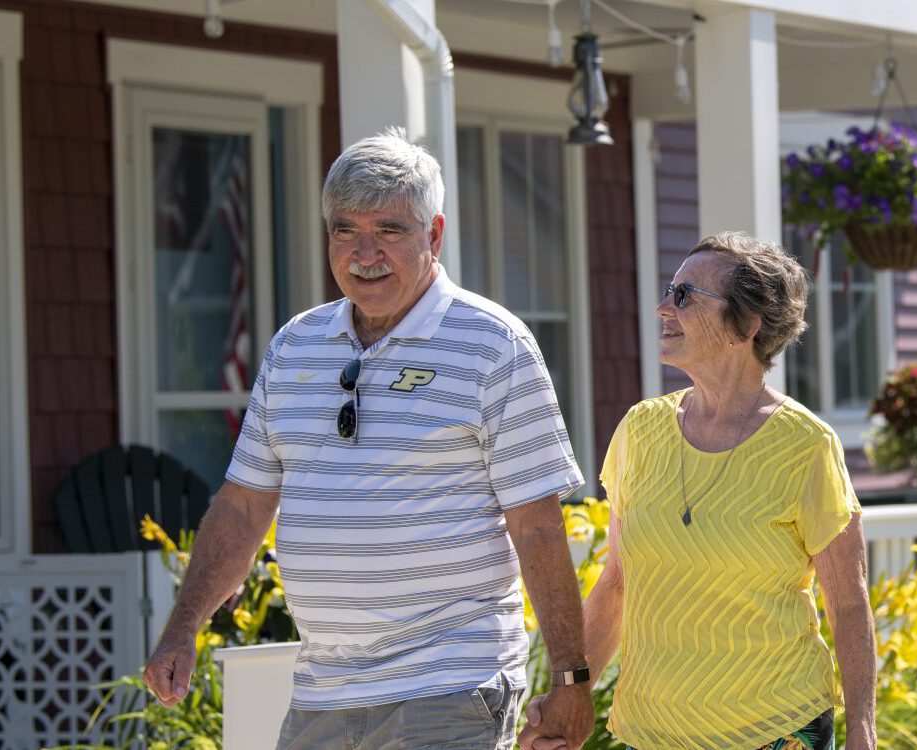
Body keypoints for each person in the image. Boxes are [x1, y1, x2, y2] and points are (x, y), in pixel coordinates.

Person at [142, 128, 595, 750]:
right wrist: (181, 628)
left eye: (389, 230)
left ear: (433, 236)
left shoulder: (495, 344)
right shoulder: (294, 345)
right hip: (323, 692)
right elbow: (243, 506)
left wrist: (570, 677)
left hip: (450, 681)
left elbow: (537, 524)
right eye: (345, 230)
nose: (364, 253)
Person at [522, 232, 876, 750]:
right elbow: (617, 584)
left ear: (747, 325)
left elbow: (848, 602)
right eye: (670, 289)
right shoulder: (640, 431)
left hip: (774, 730)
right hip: (654, 733)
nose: (664, 307)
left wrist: (862, 730)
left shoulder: (806, 446)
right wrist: (571, 693)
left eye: (685, 296)